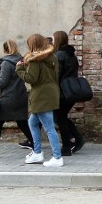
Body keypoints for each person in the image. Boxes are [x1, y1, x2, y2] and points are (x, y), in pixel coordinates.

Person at [15, 33, 63, 167]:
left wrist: (19, 68)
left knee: (49, 128)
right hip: (52, 92)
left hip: (41, 95)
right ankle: (37, 153)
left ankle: (57, 157)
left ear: (32, 45)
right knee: (32, 122)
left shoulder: (36, 59)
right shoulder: (52, 57)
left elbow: (32, 79)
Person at [53, 30, 85, 156]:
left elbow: (56, 75)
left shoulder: (59, 55)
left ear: (58, 40)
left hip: (62, 92)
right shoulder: (71, 55)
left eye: (53, 38)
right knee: (62, 117)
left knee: (60, 118)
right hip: (71, 90)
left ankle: (68, 145)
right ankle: (76, 140)